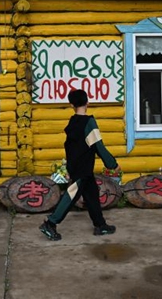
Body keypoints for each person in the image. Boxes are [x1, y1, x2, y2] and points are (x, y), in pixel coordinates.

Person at [39, 89, 119, 241]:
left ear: (71, 105)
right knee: (71, 195)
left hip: (76, 165)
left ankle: (100, 225)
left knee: (92, 194)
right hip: (83, 167)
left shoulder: (73, 122)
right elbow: (98, 146)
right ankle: (50, 223)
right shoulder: (88, 122)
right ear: (88, 102)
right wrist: (112, 164)